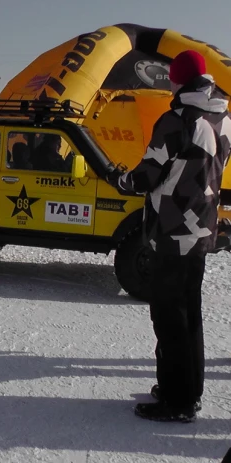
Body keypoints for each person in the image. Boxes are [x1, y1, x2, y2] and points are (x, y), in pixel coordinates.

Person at [107, 51, 231, 422]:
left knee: (168, 317)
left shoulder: (176, 121)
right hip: (201, 231)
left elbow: (146, 177)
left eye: (172, 79)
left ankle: (177, 402)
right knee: (189, 313)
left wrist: (118, 178)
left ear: (179, 81)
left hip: (173, 231)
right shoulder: (223, 119)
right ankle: (187, 389)